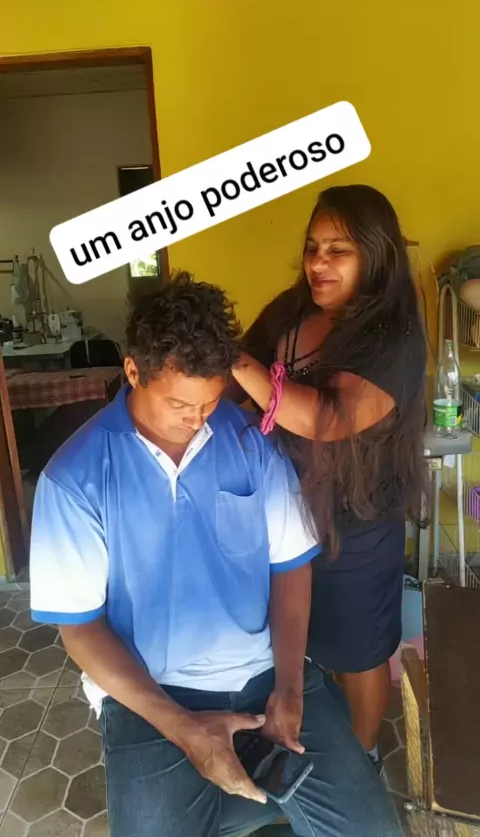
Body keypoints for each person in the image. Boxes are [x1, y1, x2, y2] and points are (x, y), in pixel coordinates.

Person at [29, 272, 400, 837]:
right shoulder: (74, 478)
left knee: (372, 829)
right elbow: (80, 628)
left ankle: (235, 796)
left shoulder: (250, 441)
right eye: (178, 402)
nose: (196, 418)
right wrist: (183, 729)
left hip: (264, 677)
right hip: (152, 693)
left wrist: (289, 688)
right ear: (133, 371)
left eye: (208, 400)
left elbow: (289, 568)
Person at [231, 185, 428, 773]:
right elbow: (243, 381)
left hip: (355, 523)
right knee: (299, 640)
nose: (318, 262)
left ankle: (361, 760)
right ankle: (312, 744)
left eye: (338, 250)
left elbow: (326, 418)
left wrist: (229, 359)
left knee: (358, 650)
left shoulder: (393, 337)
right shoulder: (291, 311)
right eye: (313, 247)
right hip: (283, 514)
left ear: (376, 254)